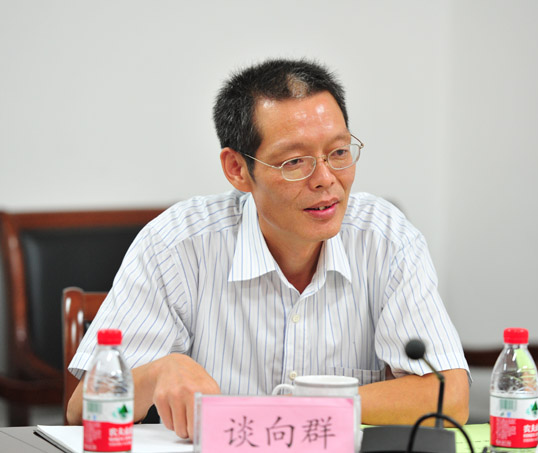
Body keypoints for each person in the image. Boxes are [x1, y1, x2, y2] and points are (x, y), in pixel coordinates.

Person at [67, 58, 470, 438]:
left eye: (339, 152)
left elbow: (448, 396)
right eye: (294, 162)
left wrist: (298, 409)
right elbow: (80, 410)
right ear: (237, 170)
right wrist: (159, 372)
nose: (326, 178)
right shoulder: (176, 246)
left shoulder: (387, 239)